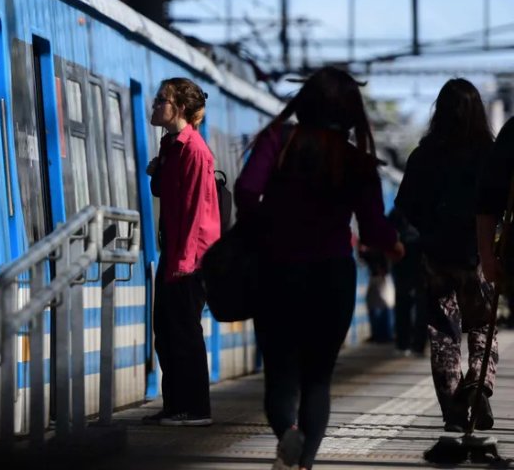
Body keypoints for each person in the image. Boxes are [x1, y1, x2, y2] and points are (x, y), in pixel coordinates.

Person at [234, 67, 405, 470]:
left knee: (279, 376)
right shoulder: (356, 161)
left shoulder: (279, 141)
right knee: (317, 380)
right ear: (350, 113)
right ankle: (304, 462)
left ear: (305, 102)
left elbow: (245, 191)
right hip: (331, 278)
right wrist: (393, 244)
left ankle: (288, 437)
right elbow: (373, 225)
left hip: (277, 273)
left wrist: (264, 228)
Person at [395, 78, 496, 431]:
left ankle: (454, 413)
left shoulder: (424, 154)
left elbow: (404, 206)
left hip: (437, 259)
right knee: (484, 325)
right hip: (479, 258)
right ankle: (479, 384)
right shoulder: (490, 154)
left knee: (443, 337)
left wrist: (430, 228)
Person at [143, 77, 221, 427]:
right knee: (166, 330)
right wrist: (156, 171)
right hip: (173, 251)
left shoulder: (194, 150)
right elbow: (164, 193)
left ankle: (196, 408)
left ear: (181, 108)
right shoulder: (171, 146)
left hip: (190, 257)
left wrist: (185, 263)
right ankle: (175, 404)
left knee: (186, 332)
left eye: (162, 100)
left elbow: (196, 211)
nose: (155, 105)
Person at [387, 205, 427, 356]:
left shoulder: (398, 208)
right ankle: (418, 344)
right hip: (421, 256)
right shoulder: (427, 204)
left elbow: (387, 230)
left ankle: (403, 343)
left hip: (402, 257)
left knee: (403, 300)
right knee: (422, 301)